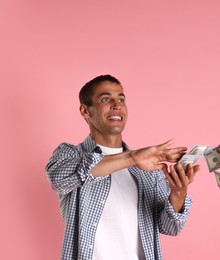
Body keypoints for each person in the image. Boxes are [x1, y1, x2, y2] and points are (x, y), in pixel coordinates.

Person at [45, 75, 200, 260]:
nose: (116, 105)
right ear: (85, 111)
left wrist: (178, 194)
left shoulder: (148, 169)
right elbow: (59, 178)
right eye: (105, 99)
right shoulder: (69, 154)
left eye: (121, 99)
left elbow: (170, 227)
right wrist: (133, 157)